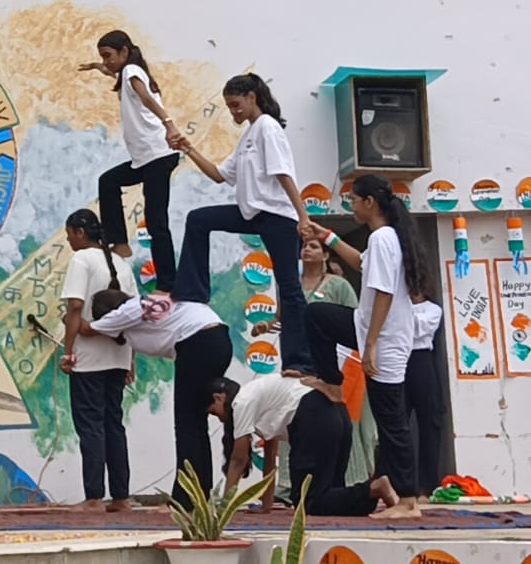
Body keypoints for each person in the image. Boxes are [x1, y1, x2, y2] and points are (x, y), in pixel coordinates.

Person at [172, 73, 316, 377]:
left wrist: (303, 216)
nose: (233, 111)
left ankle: (299, 361)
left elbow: (284, 174)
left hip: (277, 216)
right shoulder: (248, 136)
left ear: (253, 98)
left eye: (236, 104)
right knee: (198, 220)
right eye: (229, 107)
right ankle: (192, 291)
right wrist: (188, 148)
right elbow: (218, 175)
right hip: (252, 213)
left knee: (288, 288)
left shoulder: (267, 127)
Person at [304, 174, 429, 519]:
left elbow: (385, 293)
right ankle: (331, 382)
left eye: (354, 201)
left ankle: (407, 500)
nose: (352, 206)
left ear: (369, 203)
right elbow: (360, 263)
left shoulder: (384, 238)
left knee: (392, 422)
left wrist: (371, 343)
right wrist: (326, 236)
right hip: (369, 330)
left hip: (383, 339)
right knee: (316, 316)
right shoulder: (383, 239)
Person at [252, 237, 378, 493]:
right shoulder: (290, 286)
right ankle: (291, 486)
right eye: (304, 246)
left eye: (314, 246)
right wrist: (265, 326)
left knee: (334, 421)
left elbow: (354, 323)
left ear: (325, 256)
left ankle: (343, 482)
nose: (306, 250)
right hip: (296, 362)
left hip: (332, 365)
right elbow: (282, 319)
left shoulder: (340, 286)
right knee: (295, 420)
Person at [86, 287, 228, 510]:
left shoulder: (123, 312)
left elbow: (87, 330)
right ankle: (201, 495)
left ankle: (184, 501)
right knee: (197, 425)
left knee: (186, 426)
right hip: (218, 340)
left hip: (196, 344)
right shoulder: (145, 305)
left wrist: (70, 315)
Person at [78, 30, 184, 286]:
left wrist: (169, 124)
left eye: (108, 56)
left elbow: (147, 99)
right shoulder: (128, 73)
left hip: (157, 155)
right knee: (109, 181)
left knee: (157, 222)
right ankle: (120, 243)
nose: (106, 61)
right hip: (146, 159)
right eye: (102, 57)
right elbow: (118, 74)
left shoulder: (131, 72)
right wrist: (99, 67)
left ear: (125, 52)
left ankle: (168, 284)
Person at [211, 376, 399, 517]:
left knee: (308, 502)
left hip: (314, 416)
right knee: (331, 496)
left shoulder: (241, 402)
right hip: (337, 414)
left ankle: (374, 487)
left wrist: (224, 510)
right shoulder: (258, 395)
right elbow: (270, 459)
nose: (218, 418)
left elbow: (238, 460)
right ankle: (375, 490)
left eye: (213, 412)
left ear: (219, 398)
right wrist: (266, 505)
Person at [58, 209, 138, 513]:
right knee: (113, 424)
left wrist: (68, 351)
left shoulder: (81, 260)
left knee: (90, 425)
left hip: (89, 357)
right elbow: (135, 313)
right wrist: (131, 358)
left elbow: (76, 307)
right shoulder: (121, 264)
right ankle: (120, 496)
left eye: (69, 233)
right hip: (118, 354)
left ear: (80, 232)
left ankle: (93, 496)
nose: (68, 239)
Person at [406, 293, 445, 501]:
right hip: (399, 358)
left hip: (422, 361)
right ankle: (400, 482)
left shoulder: (433, 309)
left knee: (429, 423)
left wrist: (398, 318)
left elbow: (416, 329)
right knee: (396, 422)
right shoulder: (396, 305)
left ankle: (427, 485)